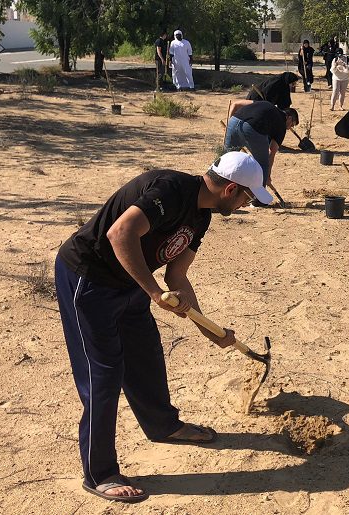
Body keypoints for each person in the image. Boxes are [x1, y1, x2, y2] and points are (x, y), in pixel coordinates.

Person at [55, 151, 274, 502]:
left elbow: (177, 275)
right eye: (248, 197)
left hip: (129, 283)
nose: (247, 204)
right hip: (89, 278)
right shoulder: (170, 189)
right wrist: (154, 292)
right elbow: (120, 233)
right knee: (104, 374)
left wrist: (210, 332)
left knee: (146, 356)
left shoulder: (201, 217)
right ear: (231, 189)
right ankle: (100, 473)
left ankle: (164, 426)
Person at [225, 100, 299, 191]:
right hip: (252, 129)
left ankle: (218, 191)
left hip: (234, 121)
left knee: (226, 160)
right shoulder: (282, 125)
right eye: (292, 124)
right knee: (262, 165)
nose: (289, 128)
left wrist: (229, 125)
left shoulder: (265, 103)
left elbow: (235, 104)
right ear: (289, 118)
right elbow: (271, 153)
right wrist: (267, 175)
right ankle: (258, 200)